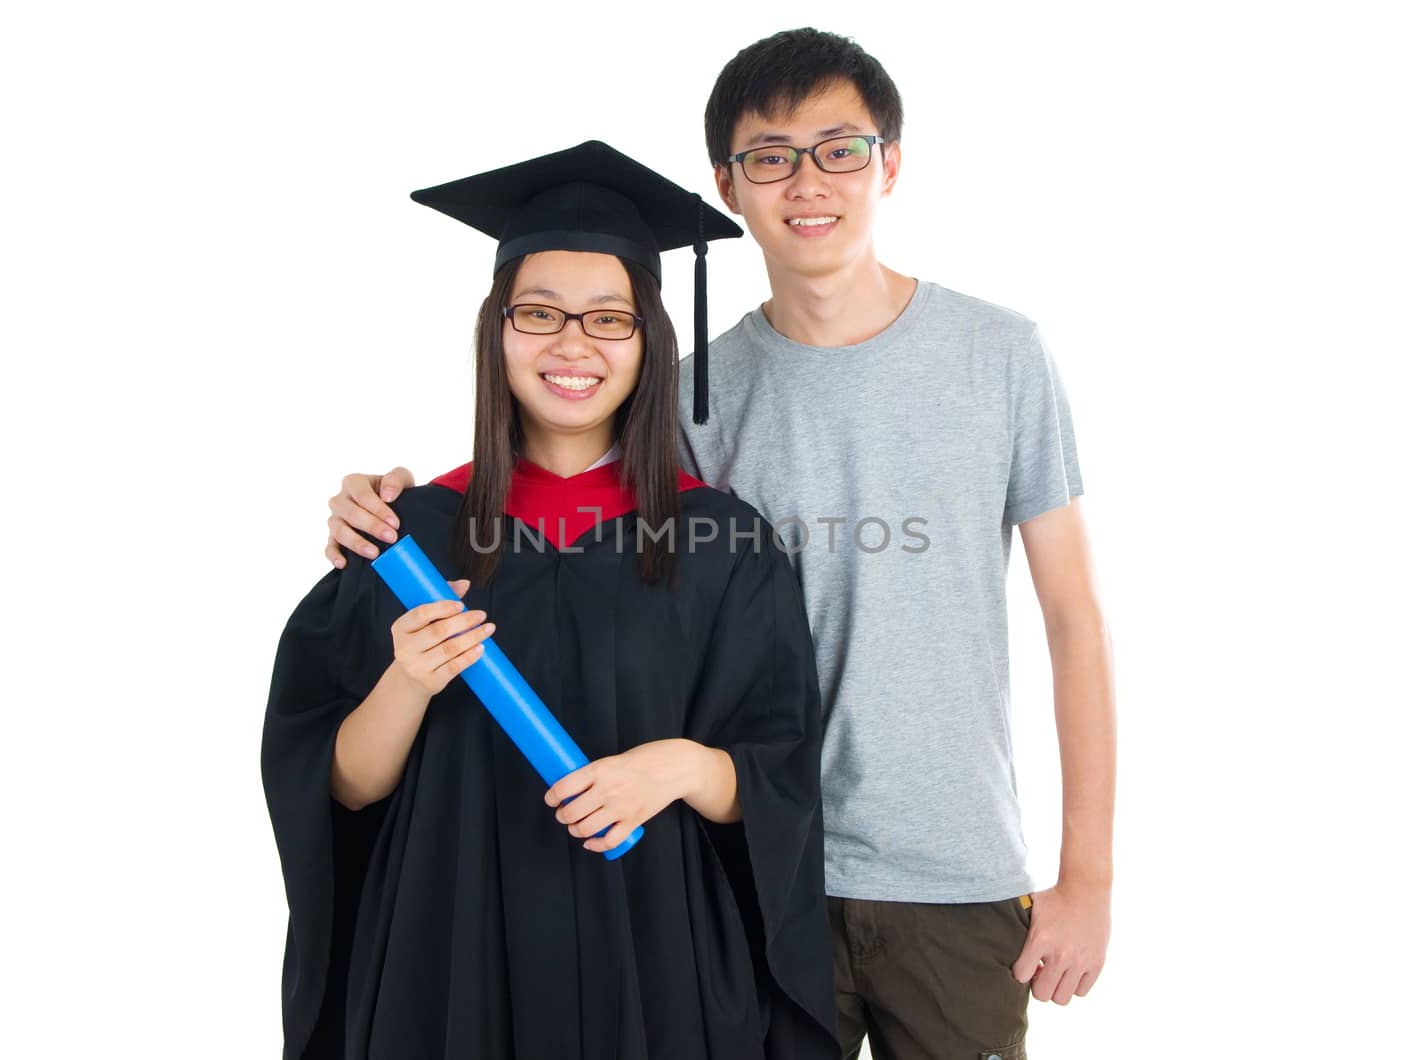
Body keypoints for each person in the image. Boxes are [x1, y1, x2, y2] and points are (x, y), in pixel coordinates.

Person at [325, 29, 1116, 1060]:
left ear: (890, 162)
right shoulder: (694, 399)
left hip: (950, 866)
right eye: (768, 156)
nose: (805, 181)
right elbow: (566, 494)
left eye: (838, 148)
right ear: (727, 187)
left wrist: (1086, 878)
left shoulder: (999, 355)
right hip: (744, 871)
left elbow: (1073, 617)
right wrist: (389, 504)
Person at [263, 141, 840, 1060]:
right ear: (496, 330)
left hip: (656, 962)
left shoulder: (723, 545)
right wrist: (409, 680)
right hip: (446, 958)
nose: (573, 345)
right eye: (538, 313)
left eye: (610, 318)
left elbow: (779, 776)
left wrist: (683, 767)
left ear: (651, 340)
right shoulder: (404, 533)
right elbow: (336, 785)